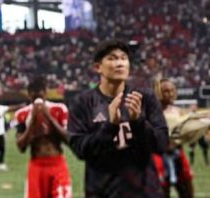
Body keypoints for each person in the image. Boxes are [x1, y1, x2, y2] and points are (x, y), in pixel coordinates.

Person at [68, 40, 168, 197]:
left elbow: (161, 144)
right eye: (112, 58)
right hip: (102, 192)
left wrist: (138, 122)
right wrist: (111, 126)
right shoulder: (83, 102)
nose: (119, 63)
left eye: (123, 58)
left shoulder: (145, 97)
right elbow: (80, 150)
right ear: (98, 67)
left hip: (144, 192)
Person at [152, 78, 210, 198]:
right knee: (162, 192)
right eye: (166, 91)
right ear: (158, 92)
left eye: (172, 90)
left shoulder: (178, 111)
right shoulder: (152, 112)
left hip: (178, 154)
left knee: (187, 191)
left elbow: (193, 119)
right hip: (159, 157)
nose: (170, 93)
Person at [15, 76, 71, 198]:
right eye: (34, 96)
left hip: (57, 163)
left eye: (40, 95)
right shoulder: (22, 114)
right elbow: (21, 147)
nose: (38, 100)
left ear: (45, 93)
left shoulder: (59, 109)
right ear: (29, 95)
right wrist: (32, 122)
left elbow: (69, 140)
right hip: (37, 165)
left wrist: (49, 117)